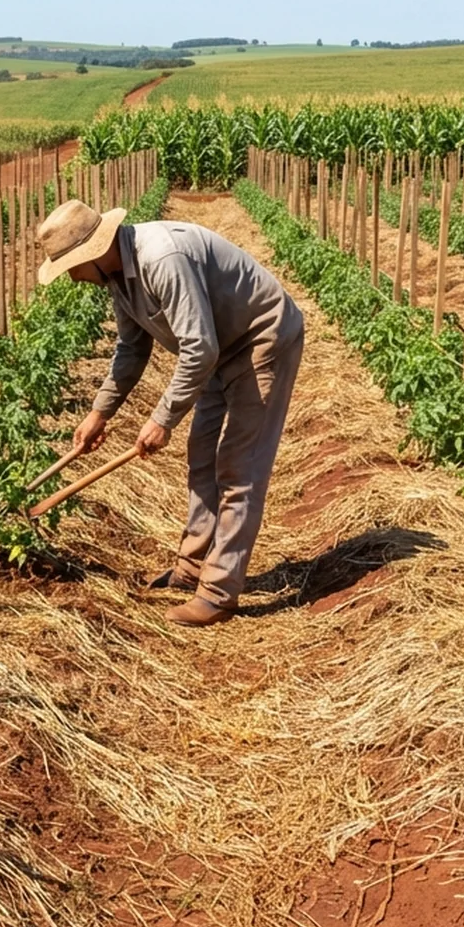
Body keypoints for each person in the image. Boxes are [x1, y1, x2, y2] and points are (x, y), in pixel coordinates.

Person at [36, 198, 304, 627]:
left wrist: (162, 418)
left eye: (70, 265)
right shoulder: (118, 278)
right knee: (202, 457)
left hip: (259, 340)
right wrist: (99, 413)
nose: (71, 277)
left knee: (239, 467)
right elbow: (131, 349)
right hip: (218, 350)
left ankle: (219, 594)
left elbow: (199, 348)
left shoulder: (162, 259)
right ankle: (192, 569)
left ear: (92, 252)